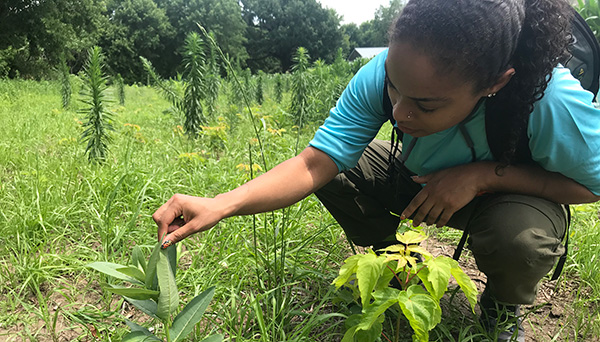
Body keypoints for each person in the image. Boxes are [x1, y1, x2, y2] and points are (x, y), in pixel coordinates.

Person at [153, 0, 600, 340]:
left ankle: (503, 306)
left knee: (519, 240)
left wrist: (484, 176)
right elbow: (313, 163)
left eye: (426, 104)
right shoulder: (384, 73)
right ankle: (399, 265)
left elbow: (594, 185)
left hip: (508, 199)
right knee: (337, 172)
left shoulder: (550, 100)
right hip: (419, 182)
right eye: (394, 86)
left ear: (495, 83)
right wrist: (221, 203)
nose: (401, 113)